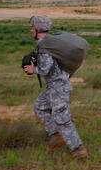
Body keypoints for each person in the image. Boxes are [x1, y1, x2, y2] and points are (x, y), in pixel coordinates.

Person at [23, 15, 88, 159]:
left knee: (62, 118)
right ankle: (57, 136)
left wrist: (32, 69)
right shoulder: (49, 43)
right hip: (53, 86)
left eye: (32, 27)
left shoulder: (46, 46)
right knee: (39, 107)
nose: (31, 30)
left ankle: (78, 149)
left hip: (58, 87)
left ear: (37, 29)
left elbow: (46, 68)